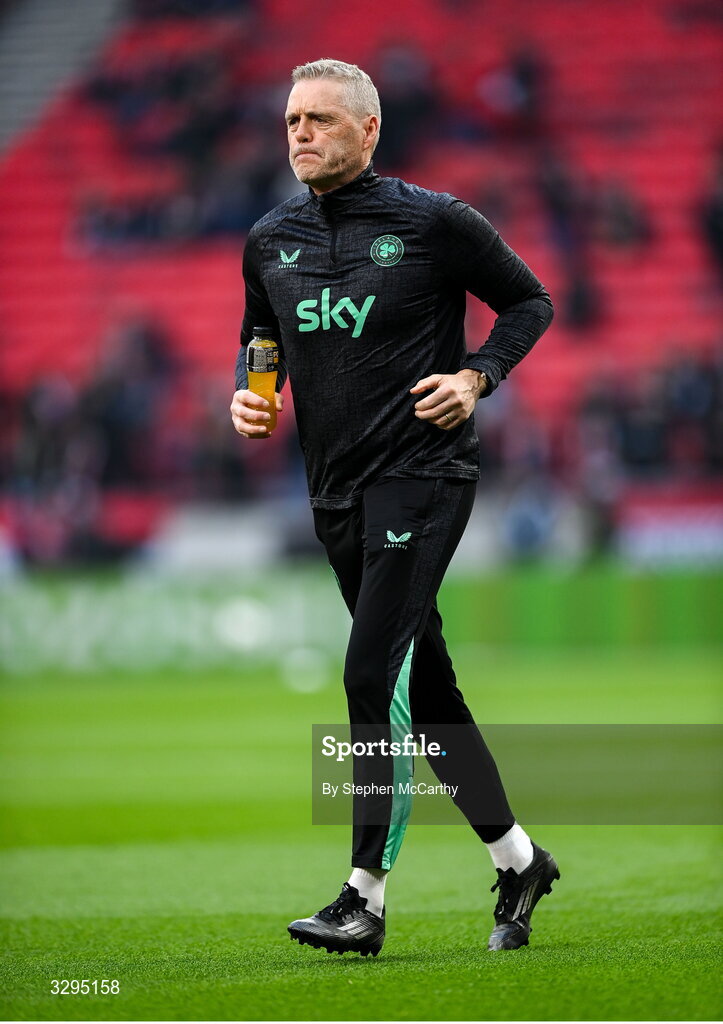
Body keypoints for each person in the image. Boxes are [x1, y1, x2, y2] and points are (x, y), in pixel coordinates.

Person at [230, 58, 557, 956]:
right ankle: (519, 860)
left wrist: (475, 375)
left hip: (423, 474)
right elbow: (263, 334)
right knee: (431, 688)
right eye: (292, 118)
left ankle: (362, 897)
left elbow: (530, 300)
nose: (300, 133)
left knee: (370, 672)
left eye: (321, 120)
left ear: (368, 130)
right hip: (331, 486)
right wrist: (251, 394)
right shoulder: (269, 240)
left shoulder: (434, 221)